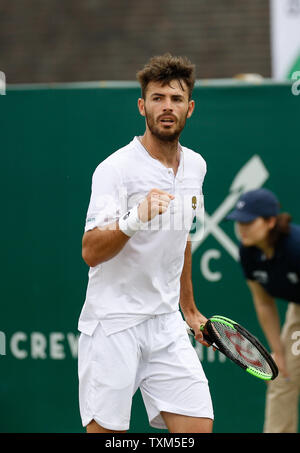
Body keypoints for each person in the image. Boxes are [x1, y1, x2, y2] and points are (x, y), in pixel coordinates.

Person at [78, 54, 214, 434]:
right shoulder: (115, 169)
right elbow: (90, 251)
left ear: (190, 107)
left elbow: (183, 236)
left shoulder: (197, 167)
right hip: (113, 324)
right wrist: (135, 218)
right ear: (143, 107)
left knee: (198, 428)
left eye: (174, 98)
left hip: (165, 323)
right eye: (157, 98)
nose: (166, 106)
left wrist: (189, 309)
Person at [226, 188, 300, 433]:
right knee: (282, 376)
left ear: (270, 222)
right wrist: (278, 352)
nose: (242, 229)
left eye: (249, 222)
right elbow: (263, 302)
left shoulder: (296, 248)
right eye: (239, 223)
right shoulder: (248, 251)